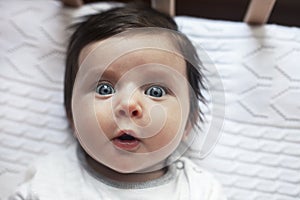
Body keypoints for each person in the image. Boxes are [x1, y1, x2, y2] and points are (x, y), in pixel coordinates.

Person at [10, 3, 227, 200]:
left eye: (156, 91)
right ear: (71, 115)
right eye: (105, 89)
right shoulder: (50, 179)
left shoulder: (199, 190)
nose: (128, 104)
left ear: (188, 123)